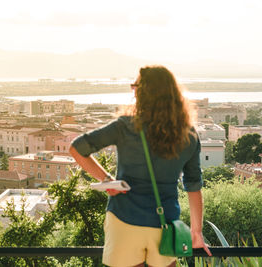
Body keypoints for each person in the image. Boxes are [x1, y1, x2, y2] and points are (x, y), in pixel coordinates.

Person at [69, 65, 212, 267]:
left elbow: (76, 149)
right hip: (166, 226)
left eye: (135, 86)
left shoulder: (125, 126)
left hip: (124, 219)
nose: (132, 90)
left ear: (142, 92)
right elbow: (194, 185)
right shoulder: (188, 135)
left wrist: (107, 180)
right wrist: (196, 232)